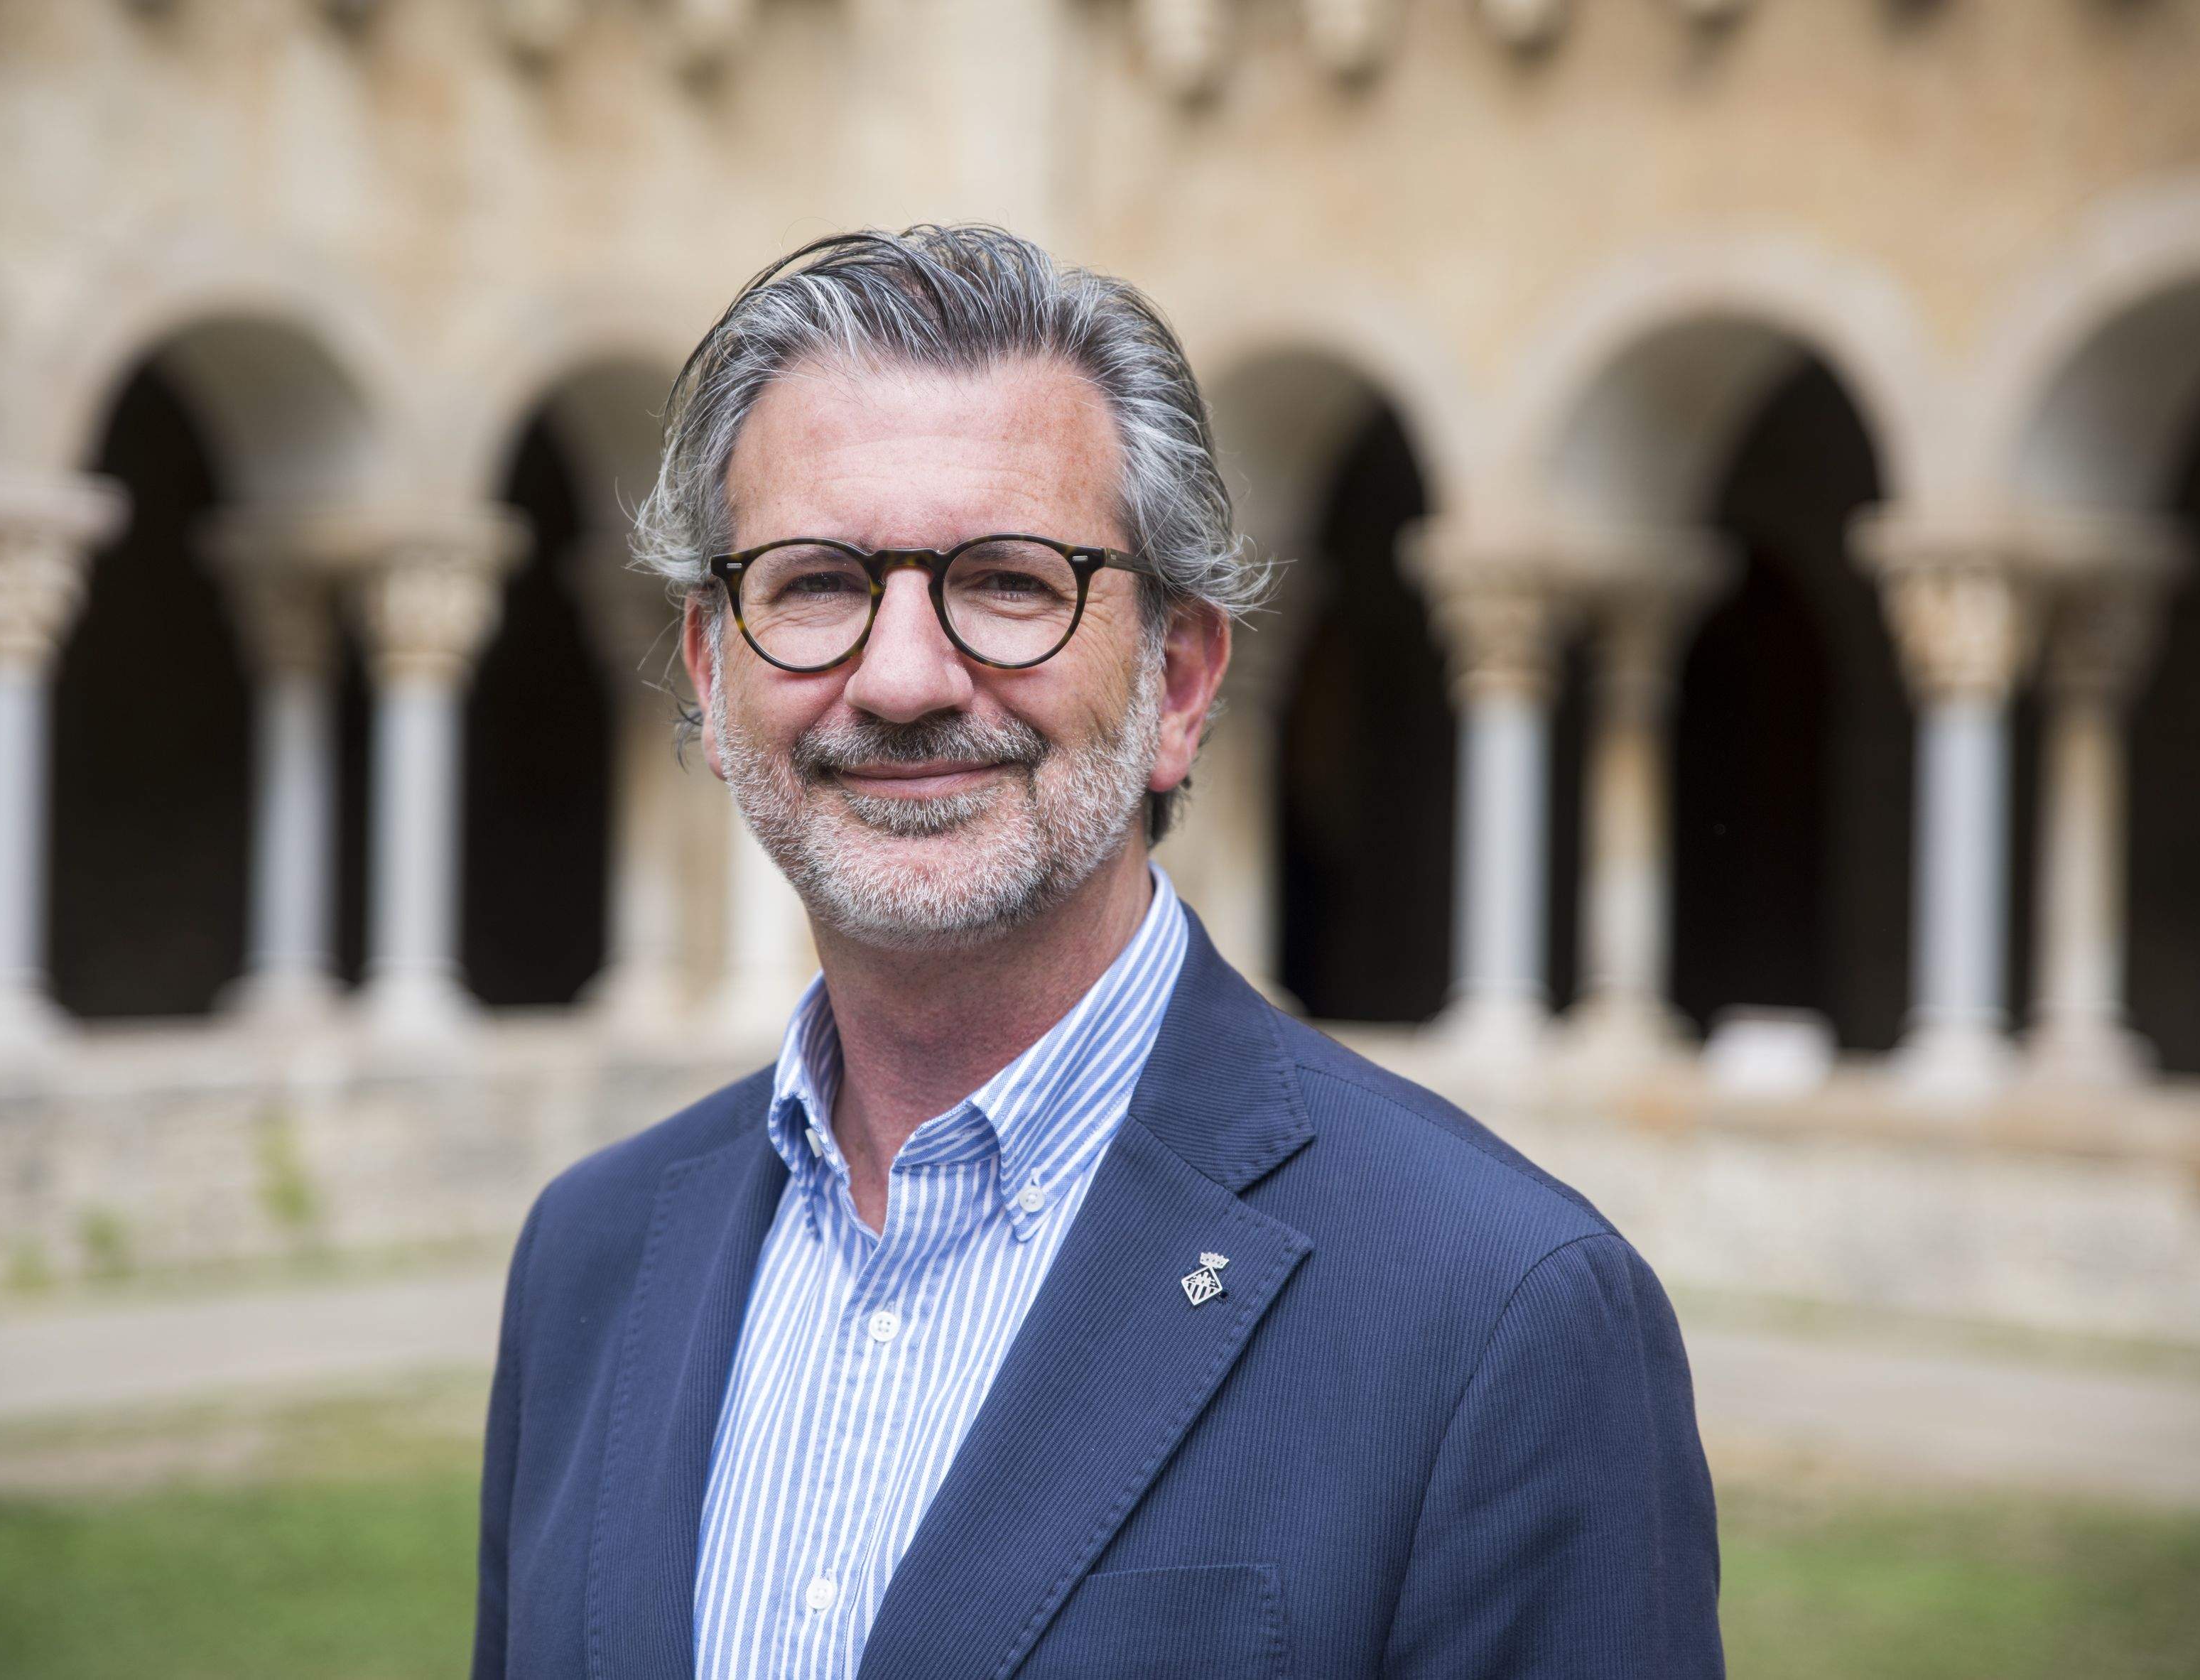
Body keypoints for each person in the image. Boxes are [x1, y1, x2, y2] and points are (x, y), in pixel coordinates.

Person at [472, 224, 1721, 1680]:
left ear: (1179, 681)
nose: (899, 678)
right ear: (709, 670)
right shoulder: (594, 1257)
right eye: (813, 583)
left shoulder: (1497, 1315)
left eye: (1007, 580)